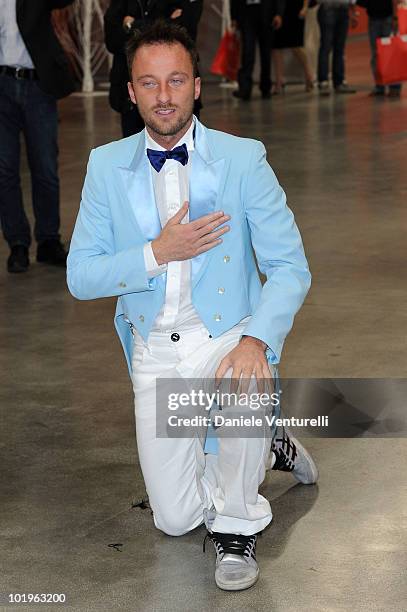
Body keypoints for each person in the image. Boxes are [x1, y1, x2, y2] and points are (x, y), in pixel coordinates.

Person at [67, 21, 318, 591]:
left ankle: (238, 527)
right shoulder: (106, 167)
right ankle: (265, 447)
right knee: (176, 520)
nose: (164, 96)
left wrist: (259, 340)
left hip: (226, 336)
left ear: (197, 85)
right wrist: (157, 252)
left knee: (247, 384)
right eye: (149, 83)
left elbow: (289, 267)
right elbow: (81, 277)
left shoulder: (242, 159)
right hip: (156, 350)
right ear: (130, 92)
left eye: (176, 80)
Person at [0, 0, 75, 274]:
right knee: (4, 169)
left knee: (44, 166)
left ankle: (48, 240)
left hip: (37, 85)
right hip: (2, 84)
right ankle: (17, 243)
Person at [104, 0, 202, 138]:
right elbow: (112, 40)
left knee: (185, 146)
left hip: (179, 94)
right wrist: (167, 22)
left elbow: (186, 29)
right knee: (134, 152)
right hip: (130, 94)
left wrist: (132, 25)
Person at [231, 0, 285, 100]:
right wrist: (234, 16)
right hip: (246, 11)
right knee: (247, 52)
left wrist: (279, 13)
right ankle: (245, 88)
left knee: (265, 53)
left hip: (266, 12)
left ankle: (265, 87)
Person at [272, 0, 314, 94]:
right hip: (277, 8)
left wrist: (305, 7)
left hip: (295, 9)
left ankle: (309, 76)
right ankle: (279, 81)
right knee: (276, 45)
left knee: (296, 45)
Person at [317, 0, 359, 95]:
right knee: (326, 47)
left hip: (343, 10)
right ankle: (323, 81)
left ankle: (339, 82)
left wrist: (353, 11)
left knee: (339, 48)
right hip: (328, 8)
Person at [364, 0, 402, 97]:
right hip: (373, 18)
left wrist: (395, 17)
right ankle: (379, 85)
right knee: (376, 54)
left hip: (388, 18)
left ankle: (394, 86)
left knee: (391, 54)